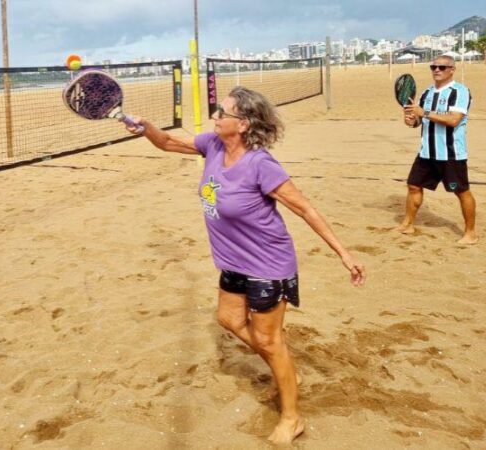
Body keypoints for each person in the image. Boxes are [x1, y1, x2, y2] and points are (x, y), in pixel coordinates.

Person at [124, 87, 366, 444]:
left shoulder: (260, 164)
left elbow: (304, 208)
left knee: (269, 341)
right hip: (233, 262)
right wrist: (146, 127)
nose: (215, 117)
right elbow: (168, 144)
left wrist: (343, 253)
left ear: (244, 123)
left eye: (222, 113)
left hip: (268, 264)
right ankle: (285, 368)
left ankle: (292, 417)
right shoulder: (213, 145)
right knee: (230, 320)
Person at [401, 55, 477, 244]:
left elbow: (453, 120)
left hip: (451, 154)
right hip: (427, 152)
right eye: (434, 66)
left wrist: (423, 113)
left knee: (461, 191)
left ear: (452, 70)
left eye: (442, 67)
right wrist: (412, 121)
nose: (437, 70)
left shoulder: (460, 91)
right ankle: (407, 224)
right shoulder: (427, 93)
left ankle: (470, 234)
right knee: (413, 186)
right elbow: (419, 121)